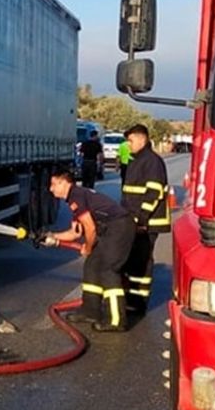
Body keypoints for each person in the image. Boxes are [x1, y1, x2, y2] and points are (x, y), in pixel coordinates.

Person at [41, 168, 135, 332]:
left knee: (108, 269)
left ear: (64, 183)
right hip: (109, 229)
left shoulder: (76, 196)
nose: (51, 189)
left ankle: (117, 321)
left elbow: (90, 228)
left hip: (119, 228)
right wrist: (51, 236)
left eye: (53, 184)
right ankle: (91, 311)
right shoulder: (74, 198)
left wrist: (88, 247)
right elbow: (75, 233)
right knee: (92, 265)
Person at [120, 123, 170, 315]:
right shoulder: (137, 160)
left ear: (142, 139)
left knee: (142, 260)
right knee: (134, 259)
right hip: (135, 220)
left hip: (147, 223)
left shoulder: (151, 161)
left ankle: (138, 301)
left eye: (131, 140)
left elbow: (154, 192)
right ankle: (131, 298)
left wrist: (141, 218)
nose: (128, 144)